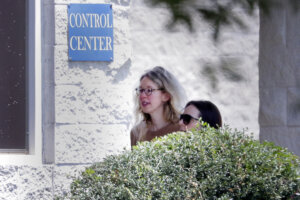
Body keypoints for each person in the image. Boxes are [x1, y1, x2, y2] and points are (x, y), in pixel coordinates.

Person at [130, 66, 186, 147]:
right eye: (141, 90)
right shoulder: (137, 133)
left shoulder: (182, 127)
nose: (142, 96)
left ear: (166, 95)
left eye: (149, 90)